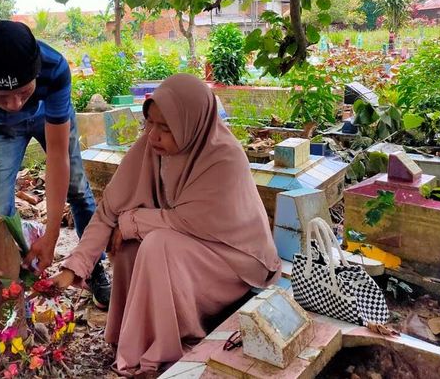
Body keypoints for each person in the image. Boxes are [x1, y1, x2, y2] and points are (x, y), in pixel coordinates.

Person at [52, 73, 281, 376]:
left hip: (233, 261)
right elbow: (109, 211)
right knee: (130, 247)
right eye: (151, 123)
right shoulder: (151, 147)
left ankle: (166, 347)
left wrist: (132, 221)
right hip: (184, 247)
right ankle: (132, 338)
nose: (154, 135)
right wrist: (72, 269)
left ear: (192, 124)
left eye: (166, 127)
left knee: (156, 243)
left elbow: (190, 220)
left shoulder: (224, 158)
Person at [0, 20, 111, 308]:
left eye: (24, 91)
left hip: (48, 115)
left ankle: (93, 267)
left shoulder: (54, 67)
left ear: (37, 71)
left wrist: (51, 236)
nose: (15, 104)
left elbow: (58, 157)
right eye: (1, 95)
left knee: (76, 188)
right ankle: (11, 289)